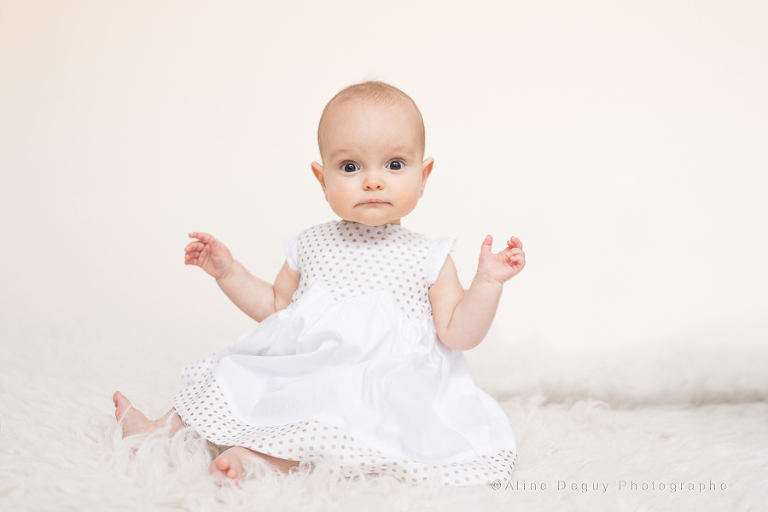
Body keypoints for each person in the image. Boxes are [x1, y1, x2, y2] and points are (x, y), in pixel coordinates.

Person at [113, 81, 526, 486]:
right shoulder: (310, 244)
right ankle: (160, 430)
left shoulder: (429, 256)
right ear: (321, 178)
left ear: (424, 174)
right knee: (234, 369)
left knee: (341, 403)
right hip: (308, 365)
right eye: (350, 167)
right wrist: (228, 272)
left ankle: (258, 460)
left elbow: (458, 334)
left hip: (381, 383)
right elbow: (277, 308)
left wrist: (487, 283)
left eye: (395, 165)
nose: (373, 181)